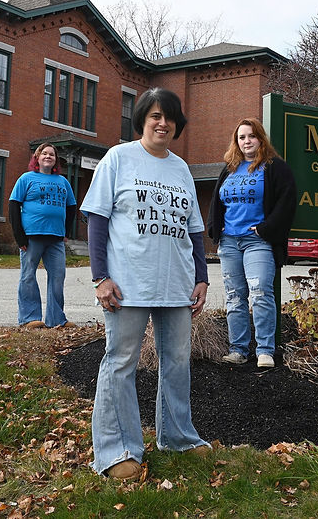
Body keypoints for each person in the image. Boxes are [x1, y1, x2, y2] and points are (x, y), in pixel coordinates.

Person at [81, 87, 211, 481]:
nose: (162, 122)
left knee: (177, 363)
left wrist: (202, 277)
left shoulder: (181, 169)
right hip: (127, 285)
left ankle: (178, 437)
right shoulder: (118, 158)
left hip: (177, 285)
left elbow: (195, 231)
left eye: (169, 117)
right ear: (142, 120)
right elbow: (97, 220)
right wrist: (100, 277)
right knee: (120, 364)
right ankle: (116, 449)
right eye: (154, 115)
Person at [207, 117, 297, 368]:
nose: (247, 141)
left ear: (260, 138)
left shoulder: (274, 167)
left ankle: (265, 350)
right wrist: (217, 226)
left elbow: (287, 201)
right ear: (236, 142)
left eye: (251, 136)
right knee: (235, 297)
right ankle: (238, 349)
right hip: (230, 242)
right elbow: (217, 201)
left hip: (257, 242)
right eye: (241, 137)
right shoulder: (229, 168)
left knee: (260, 293)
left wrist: (267, 229)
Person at [8, 142, 77, 329]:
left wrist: (66, 232)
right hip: (31, 237)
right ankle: (29, 318)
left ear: (55, 160)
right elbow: (14, 206)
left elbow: (71, 207)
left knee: (58, 276)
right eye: (44, 153)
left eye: (52, 155)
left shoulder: (63, 182)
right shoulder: (26, 178)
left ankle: (56, 319)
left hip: (55, 238)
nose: (48, 156)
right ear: (37, 158)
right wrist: (19, 237)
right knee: (28, 275)